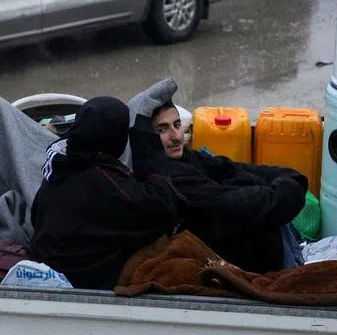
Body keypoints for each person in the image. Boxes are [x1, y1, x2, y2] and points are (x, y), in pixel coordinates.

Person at [129, 103, 306, 273]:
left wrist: (286, 178)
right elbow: (241, 205)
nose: (176, 136)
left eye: (177, 125)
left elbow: (229, 168)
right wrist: (290, 187)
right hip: (247, 264)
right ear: (148, 139)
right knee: (265, 204)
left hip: (245, 250)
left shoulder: (184, 159)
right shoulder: (171, 180)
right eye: (162, 129)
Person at [30, 96, 186, 290]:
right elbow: (162, 208)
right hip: (89, 281)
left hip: (56, 269)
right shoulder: (102, 181)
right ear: (116, 136)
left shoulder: (58, 168)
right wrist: (151, 157)